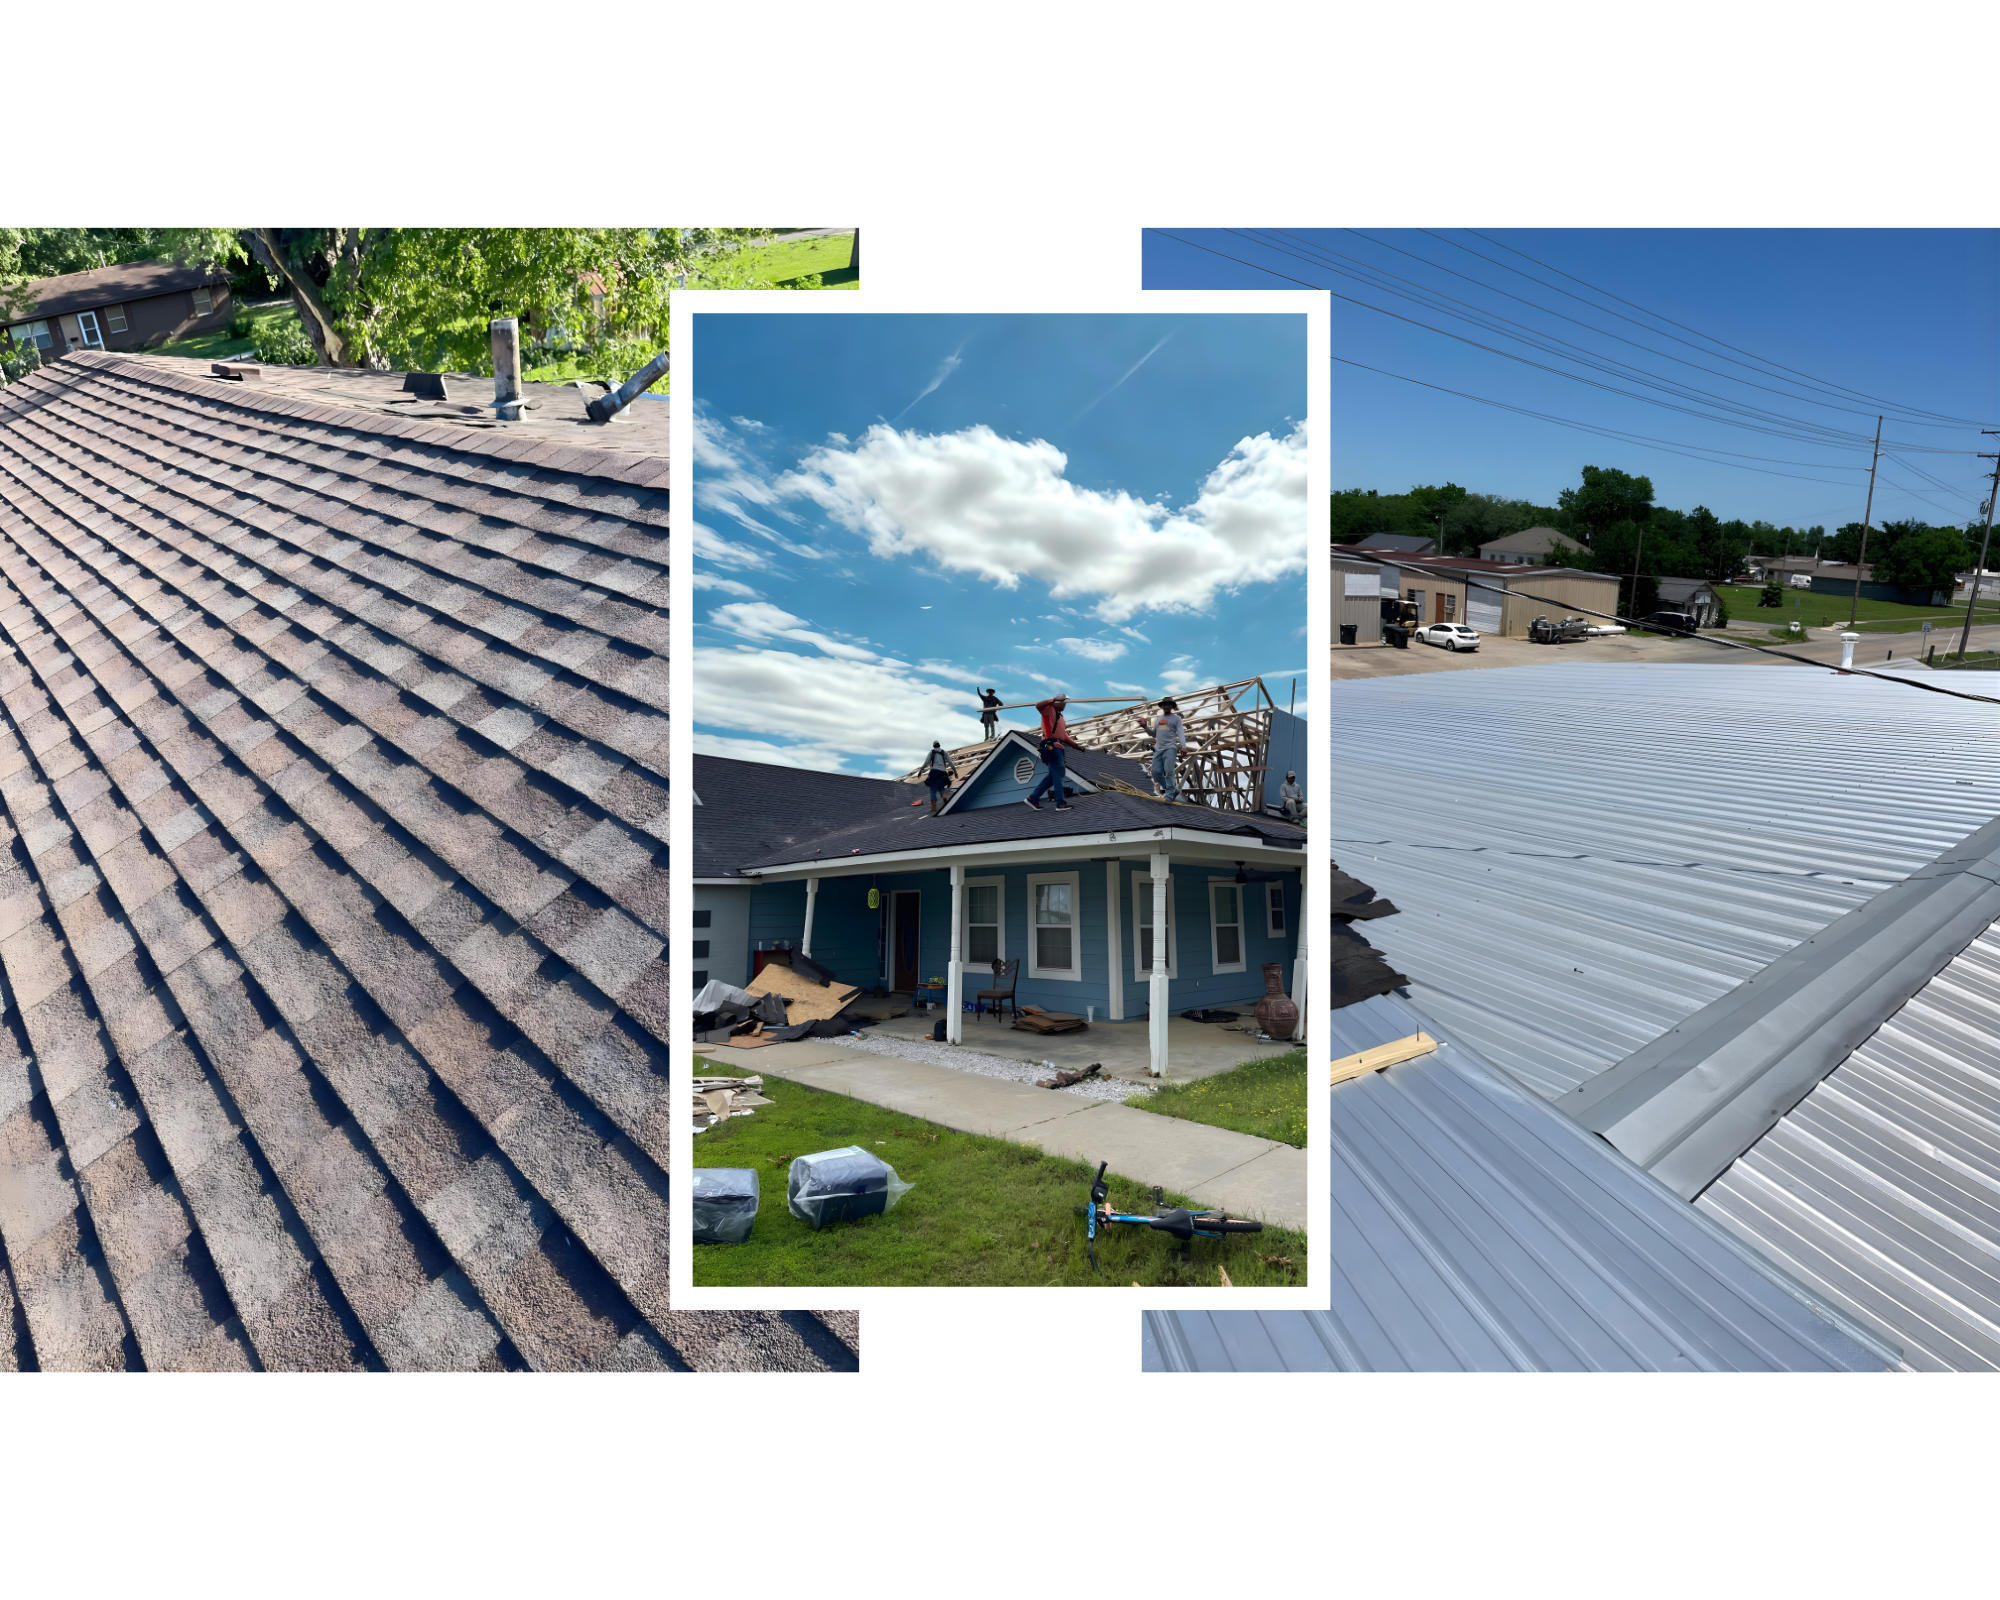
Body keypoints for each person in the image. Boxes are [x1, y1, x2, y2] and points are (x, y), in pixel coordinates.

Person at [1024, 694, 1081, 811]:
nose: (1065, 704)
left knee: (1052, 776)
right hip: (1052, 745)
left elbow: (1063, 735)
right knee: (1058, 775)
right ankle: (1060, 803)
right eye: (1063, 702)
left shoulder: (1060, 717)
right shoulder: (1048, 710)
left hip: (1058, 746)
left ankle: (1033, 798)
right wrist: (1053, 700)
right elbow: (1038, 705)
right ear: (1058, 702)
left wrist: (1076, 746)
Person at [1146, 696, 1185, 801]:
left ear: (1172, 706)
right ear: (1162, 706)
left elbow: (1180, 732)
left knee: (1169, 771)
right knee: (1155, 771)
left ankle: (1169, 795)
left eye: (1169, 705)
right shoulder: (1159, 719)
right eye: (1165, 705)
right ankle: (1172, 789)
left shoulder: (1176, 718)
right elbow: (1154, 734)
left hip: (1170, 747)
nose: (1167, 706)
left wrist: (1183, 746)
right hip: (1158, 748)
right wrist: (1144, 726)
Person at [923, 741, 953, 815]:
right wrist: (954, 771)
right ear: (939, 745)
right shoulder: (944, 752)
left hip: (934, 772)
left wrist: (921, 770)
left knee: (933, 790)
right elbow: (950, 762)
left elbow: (926, 762)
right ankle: (944, 798)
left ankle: (933, 807)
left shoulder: (931, 752)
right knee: (941, 788)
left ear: (933, 746)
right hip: (942, 772)